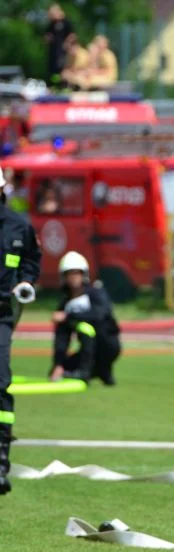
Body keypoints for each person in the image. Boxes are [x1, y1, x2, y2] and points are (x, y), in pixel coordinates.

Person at [0, 169, 43, 496]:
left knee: (0, 384)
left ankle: (0, 462)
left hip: (0, 314)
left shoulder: (19, 226)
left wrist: (26, 281)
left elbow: (32, 259)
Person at [48, 251, 121, 386]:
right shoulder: (66, 304)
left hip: (107, 345)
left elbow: (99, 315)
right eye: (70, 274)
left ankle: (89, 371)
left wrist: (69, 317)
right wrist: (58, 364)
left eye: (77, 273)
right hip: (86, 351)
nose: (74, 278)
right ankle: (101, 371)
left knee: (85, 328)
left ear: (84, 275)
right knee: (64, 367)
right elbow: (62, 337)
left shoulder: (96, 294)